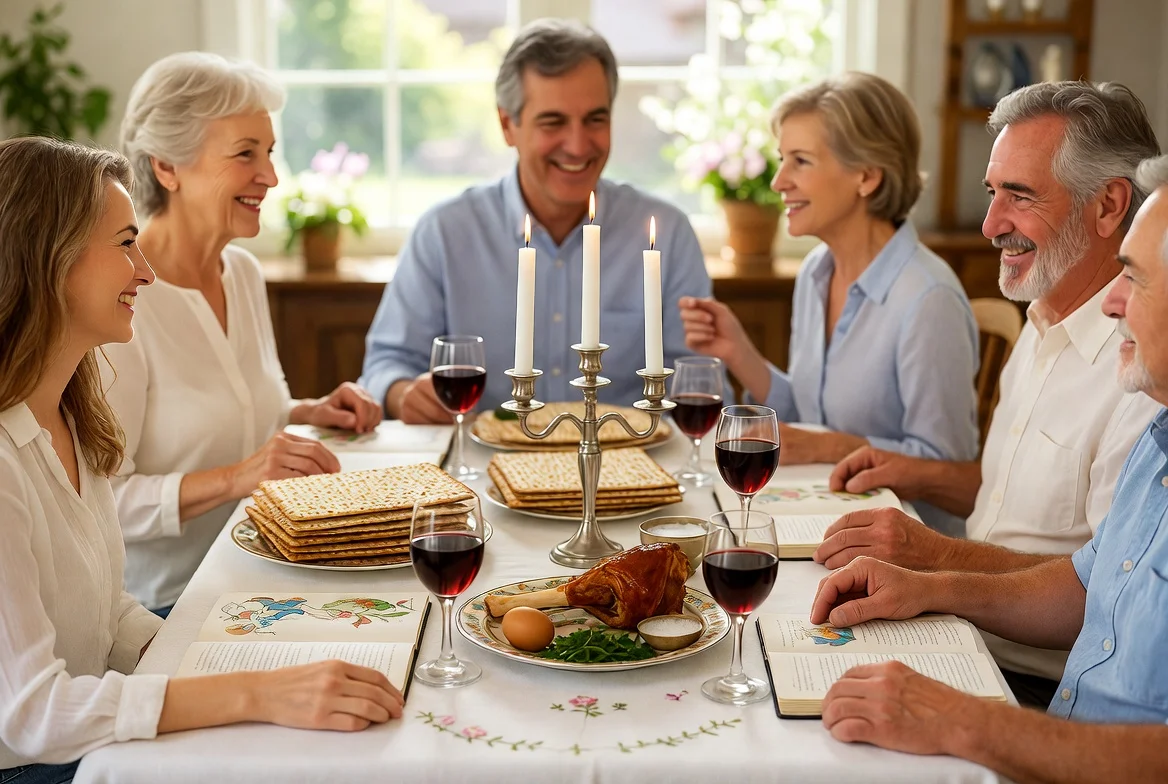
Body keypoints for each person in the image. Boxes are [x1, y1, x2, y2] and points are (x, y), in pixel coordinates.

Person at [0, 137, 402, 784]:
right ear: (48, 259)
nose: (146, 271)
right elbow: (32, 714)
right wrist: (254, 693)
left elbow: (108, 618)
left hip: (92, 730)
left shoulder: (73, 416)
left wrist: (236, 667)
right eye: (125, 243)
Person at [807, 155, 1168, 779]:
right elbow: (1086, 585)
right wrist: (926, 586)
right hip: (1054, 727)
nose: (1111, 301)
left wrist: (962, 721)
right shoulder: (1159, 434)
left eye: (1135, 278)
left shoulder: (1136, 401)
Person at [105, 52, 382, 616]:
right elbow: (102, 501)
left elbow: (236, 413)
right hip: (166, 607)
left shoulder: (243, 273)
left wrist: (308, 410)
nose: (272, 176)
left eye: (270, 152)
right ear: (167, 167)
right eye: (244, 154)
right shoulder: (122, 303)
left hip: (261, 573)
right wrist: (238, 478)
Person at [359, 19, 715, 422]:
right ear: (507, 125)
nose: (579, 145)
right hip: (482, 466)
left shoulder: (666, 234)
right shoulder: (444, 233)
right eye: (554, 122)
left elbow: (698, 378)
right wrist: (403, 392)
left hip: (633, 466)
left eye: (595, 119)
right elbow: (385, 365)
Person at [678, 72, 980, 503]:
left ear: (867, 176)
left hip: (904, 539)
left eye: (800, 161)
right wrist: (738, 352)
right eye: (782, 159)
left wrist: (834, 447)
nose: (779, 181)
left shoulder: (929, 300)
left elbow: (952, 478)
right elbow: (808, 417)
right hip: (821, 506)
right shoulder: (817, 272)